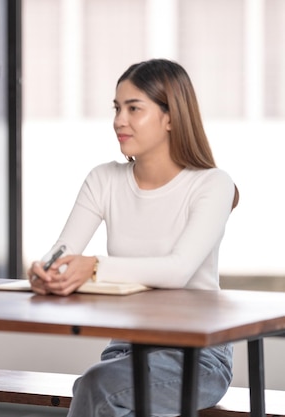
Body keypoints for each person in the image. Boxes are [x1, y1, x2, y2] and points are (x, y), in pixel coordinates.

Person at [27, 58, 239, 416]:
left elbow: (178, 270)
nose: (119, 120)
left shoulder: (212, 183)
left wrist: (94, 267)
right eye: (117, 108)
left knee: (96, 388)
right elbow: (63, 252)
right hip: (125, 350)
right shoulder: (104, 179)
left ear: (170, 117)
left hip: (196, 357)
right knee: (95, 385)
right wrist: (46, 271)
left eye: (133, 108)